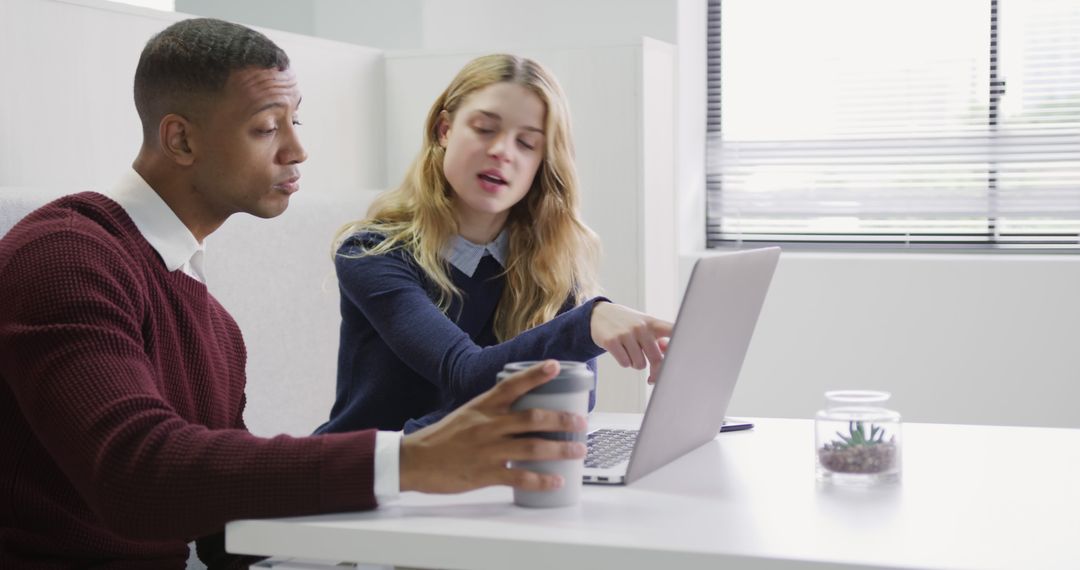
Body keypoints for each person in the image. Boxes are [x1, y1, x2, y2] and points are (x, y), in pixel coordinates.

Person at [0, 19, 589, 569]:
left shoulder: (212, 322)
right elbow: (136, 475)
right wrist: (411, 461)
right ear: (180, 140)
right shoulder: (66, 257)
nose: (296, 150)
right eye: (265, 127)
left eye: (295, 121)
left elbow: (220, 530)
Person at [317, 54, 674, 436]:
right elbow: (465, 373)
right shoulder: (371, 252)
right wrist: (589, 323)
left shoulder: (550, 259)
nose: (503, 151)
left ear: (542, 162)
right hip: (370, 480)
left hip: (485, 471)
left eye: (526, 143)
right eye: (485, 129)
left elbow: (571, 402)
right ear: (444, 130)